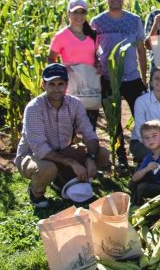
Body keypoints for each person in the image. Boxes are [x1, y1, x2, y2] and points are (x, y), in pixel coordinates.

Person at [15, 63, 110, 208]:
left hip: (62, 152)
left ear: (67, 85)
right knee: (48, 168)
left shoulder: (75, 104)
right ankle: (36, 193)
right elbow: (40, 148)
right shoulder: (34, 108)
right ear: (43, 84)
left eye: (60, 84)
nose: (56, 88)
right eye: (51, 84)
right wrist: (72, 162)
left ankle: (61, 179)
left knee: (101, 153)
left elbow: (88, 133)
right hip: (33, 155)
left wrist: (90, 158)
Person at [91, 0, 147, 168]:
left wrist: (144, 77)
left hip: (132, 77)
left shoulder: (134, 20)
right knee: (114, 121)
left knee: (141, 118)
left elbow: (141, 49)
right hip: (108, 79)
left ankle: (141, 154)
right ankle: (120, 157)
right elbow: (91, 50)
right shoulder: (97, 22)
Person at [48, 0, 101, 128]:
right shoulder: (61, 36)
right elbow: (51, 59)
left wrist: (98, 66)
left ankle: (90, 148)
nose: (79, 16)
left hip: (90, 86)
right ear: (68, 14)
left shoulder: (93, 34)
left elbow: (96, 57)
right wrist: (62, 71)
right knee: (69, 128)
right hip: (71, 86)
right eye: (75, 12)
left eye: (82, 12)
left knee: (90, 127)